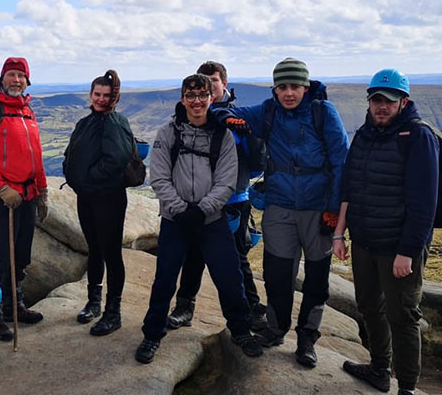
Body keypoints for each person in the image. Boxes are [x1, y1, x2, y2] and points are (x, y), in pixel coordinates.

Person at [218, 57, 349, 368]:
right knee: (277, 275)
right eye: (282, 87)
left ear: (306, 86)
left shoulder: (323, 113)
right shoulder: (269, 110)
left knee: (316, 279)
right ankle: (276, 329)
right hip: (279, 206)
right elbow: (225, 110)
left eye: (294, 86)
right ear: (275, 89)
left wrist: (334, 210)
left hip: (317, 208)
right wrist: (227, 116)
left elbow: (342, 162)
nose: (288, 93)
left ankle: (307, 338)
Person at [333, 69, 439, 395]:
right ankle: (380, 368)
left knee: (403, 316)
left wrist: (408, 251)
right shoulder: (364, 134)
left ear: (403, 102)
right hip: (364, 240)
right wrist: (340, 234)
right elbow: (349, 184)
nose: (381, 107)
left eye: (388, 101)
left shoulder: (418, 137)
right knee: (368, 306)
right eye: (376, 100)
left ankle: (407, 393)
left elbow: (425, 202)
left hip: (398, 246)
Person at [136, 74, 262, 364]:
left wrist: (202, 209)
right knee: (165, 279)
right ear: (183, 99)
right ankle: (152, 334)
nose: (196, 101)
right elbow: (159, 176)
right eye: (190, 96)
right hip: (175, 219)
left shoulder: (223, 135)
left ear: (210, 98)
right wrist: (182, 210)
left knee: (229, 277)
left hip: (211, 219)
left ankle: (241, 331)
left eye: (202, 96)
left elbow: (227, 181)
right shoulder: (169, 132)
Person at [167, 61, 266, 332]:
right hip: (197, 201)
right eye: (203, 82)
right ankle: (184, 308)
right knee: (194, 255)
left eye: (213, 80)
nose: (208, 86)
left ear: (224, 83)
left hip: (233, 199)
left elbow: (255, 161)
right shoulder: (193, 117)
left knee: (235, 259)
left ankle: (251, 311)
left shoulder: (239, 119)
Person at [0, 57, 48, 341]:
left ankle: (14, 306)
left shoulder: (28, 112)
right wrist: (1, 188)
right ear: (2, 78)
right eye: (11, 75)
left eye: (21, 76)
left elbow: (35, 156)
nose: (16, 80)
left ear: (27, 81)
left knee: (20, 257)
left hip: (26, 197)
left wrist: (42, 191)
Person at [62, 69, 131, 336]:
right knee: (94, 250)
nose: (101, 99)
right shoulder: (85, 123)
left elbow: (117, 160)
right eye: (97, 94)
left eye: (106, 95)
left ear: (114, 96)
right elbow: (72, 153)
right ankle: (93, 302)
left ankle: (113, 313)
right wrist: (73, 175)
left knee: (111, 253)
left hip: (109, 198)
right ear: (90, 95)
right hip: (88, 198)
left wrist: (88, 179)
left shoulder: (115, 122)